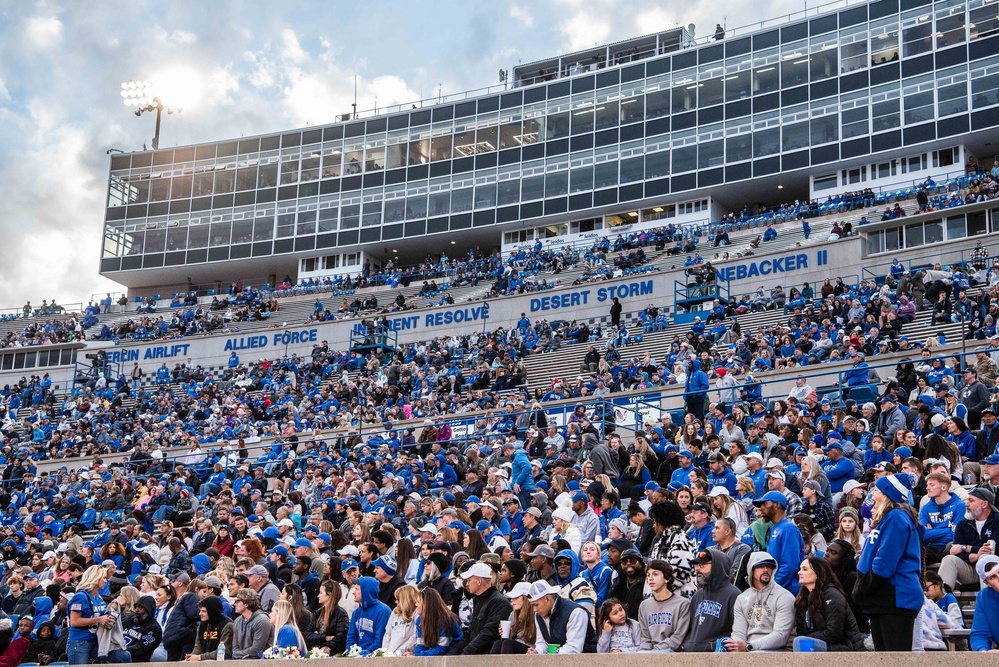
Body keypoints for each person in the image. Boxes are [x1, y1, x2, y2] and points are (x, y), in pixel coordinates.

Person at [854, 473, 924, 651]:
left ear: (887, 495)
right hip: (884, 598)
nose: (872, 493)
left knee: (895, 659)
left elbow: (885, 561)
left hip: (896, 597)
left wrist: (864, 587)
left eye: (876, 490)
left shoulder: (896, 516)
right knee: (884, 659)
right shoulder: (889, 517)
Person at [726, 552, 795, 652]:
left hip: (779, 650)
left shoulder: (784, 597)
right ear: (751, 570)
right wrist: (737, 647)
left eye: (769, 567)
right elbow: (738, 633)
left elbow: (781, 636)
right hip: (749, 649)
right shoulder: (741, 598)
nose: (766, 570)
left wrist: (749, 646)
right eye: (761, 566)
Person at [793, 557, 863, 651]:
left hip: (845, 647)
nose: (799, 572)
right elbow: (801, 631)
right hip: (823, 644)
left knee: (801, 642)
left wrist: (809, 637)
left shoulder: (833, 596)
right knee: (801, 641)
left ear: (818, 572)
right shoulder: (803, 598)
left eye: (804, 569)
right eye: (800, 569)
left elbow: (834, 633)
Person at [939, 488, 999, 592]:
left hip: (995, 570)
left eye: (971, 501)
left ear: (984, 504)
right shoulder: (963, 524)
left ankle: (987, 600)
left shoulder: (997, 520)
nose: (966, 504)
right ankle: (942, 601)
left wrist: (965, 548)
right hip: (970, 569)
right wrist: (975, 554)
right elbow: (954, 551)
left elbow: (994, 549)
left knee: (985, 558)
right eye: (966, 500)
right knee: (949, 560)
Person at [448, 562, 511, 655]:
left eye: (469, 580)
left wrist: (464, 655)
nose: (467, 584)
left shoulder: (499, 603)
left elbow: (488, 634)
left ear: (478, 581)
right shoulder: (478, 601)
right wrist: (451, 655)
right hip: (474, 655)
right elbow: (469, 634)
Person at [684, 549, 740, 651]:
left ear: (718, 566)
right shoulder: (697, 596)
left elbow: (738, 634)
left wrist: (711, 646)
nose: (697, 569)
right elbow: (690, 629)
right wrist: (688, 644)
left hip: (719, 658)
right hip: (693, 656)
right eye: (696, 565)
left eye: (703, 564)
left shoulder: (734, 595)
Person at [752, 491, 805, 595]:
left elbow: (790, 566)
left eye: (765, 504)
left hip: (786, 591)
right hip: (775, 589)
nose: (761, 508)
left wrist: (771, 588)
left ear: (776, 505)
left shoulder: (788, 528)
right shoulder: (773, 528)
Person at [526, 580, 595, 654]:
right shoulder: (539, 615)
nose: (534, 610)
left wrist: (549, 654)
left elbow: (574, 649)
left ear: (547, 599)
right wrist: (537, 652)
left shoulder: (576, 612)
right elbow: (542, 643)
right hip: (555, 660)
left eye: (536, 605)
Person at [637, 560, 690, 652]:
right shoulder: (644, 605)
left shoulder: (683, 604)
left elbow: (677, 638)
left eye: (655, 574)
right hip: (649, 652)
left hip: (672, 652)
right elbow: (645, 638)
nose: (650, 578)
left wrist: (655, 651)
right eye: (648, 575)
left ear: (667, 578)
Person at [68, 564, 113, 665]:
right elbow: (74, 621)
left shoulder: (98, 596)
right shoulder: (80, 597)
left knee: (122, 656)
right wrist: (98, 620)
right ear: (95, 578)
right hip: (80, 641)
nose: (106, 581)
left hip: (96, 640)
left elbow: (101, 617)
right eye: (104, 578)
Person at [345, 576, 391, 657]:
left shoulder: (383, 611)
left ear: (365, 591)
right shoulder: (356, 613)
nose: (353, 592)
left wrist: (366, 653)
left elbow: (379, 641)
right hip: (357, 657)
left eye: (357, 589)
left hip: (375, 657)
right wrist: (350, 653)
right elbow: (351, 638)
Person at [412, 588, 463, 656]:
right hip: (435, 655)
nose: (416, 604)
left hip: (453, 656)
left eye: (418, 602)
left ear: (426, 604)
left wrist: (417, 656)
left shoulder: (446, 620)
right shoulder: (419, 620)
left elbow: (441, 649)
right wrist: (414, 655)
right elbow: (421, 645)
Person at [305, 580, 350, 655]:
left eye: (321, 593)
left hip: (333, 655)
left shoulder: (341, 614)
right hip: (316, 653)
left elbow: (340, 639)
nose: (318, 596)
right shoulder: (317, 613)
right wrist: (325, 637)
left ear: (329, 594)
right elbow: (307, 636)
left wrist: (321, 643)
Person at [492, 581, 535, 654]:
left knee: (508, 644)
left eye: (516, 597)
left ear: (525, 598)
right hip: (514, 647)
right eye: (512, 598)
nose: (512, 600)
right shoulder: (513, 614)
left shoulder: (535, 614)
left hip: (531, 649)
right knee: (498, 643)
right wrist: (506, 633)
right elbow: (509, 639)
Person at [231, 588, 274, 660]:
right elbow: (234, 649)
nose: (234, 604)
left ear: (246, 604)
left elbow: (256, 650)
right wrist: (240, 655)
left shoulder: (262, 621)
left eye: (237, 601)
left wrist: (238, 655)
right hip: (240, 662)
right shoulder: (237, 621)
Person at [187, 596, 233, 661]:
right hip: (204, 661)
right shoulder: (202, 625)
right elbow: (198, 647)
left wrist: (200, 657)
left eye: (204, 611)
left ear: (212, 611)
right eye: (200, 611)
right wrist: (192, 656)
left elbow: (225, 652)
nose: (200, 614)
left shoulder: (227, 625)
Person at [970, 554, 999, 651]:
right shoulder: (984, 597)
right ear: (986, 583)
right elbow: (980, 634)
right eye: (993, 577)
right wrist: (983, 652)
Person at [381, 584, 418, 656]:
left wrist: (398, 653)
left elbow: (414, 638)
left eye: (398, 600)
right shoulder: (395, 612)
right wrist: (384, 652)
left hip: (403, 656)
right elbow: (387, 634)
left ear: (406, 600)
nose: (396, 602)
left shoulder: (417, 613)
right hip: (389, 655)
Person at [122, 596, 162, 663]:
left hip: (136, 661)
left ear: (148, 609)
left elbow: (139, 649)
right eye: (136, 606)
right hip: (121, 654)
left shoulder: (154, 629)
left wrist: (119, 650)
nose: (137, 610)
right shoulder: (131, 619)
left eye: (141, 607)